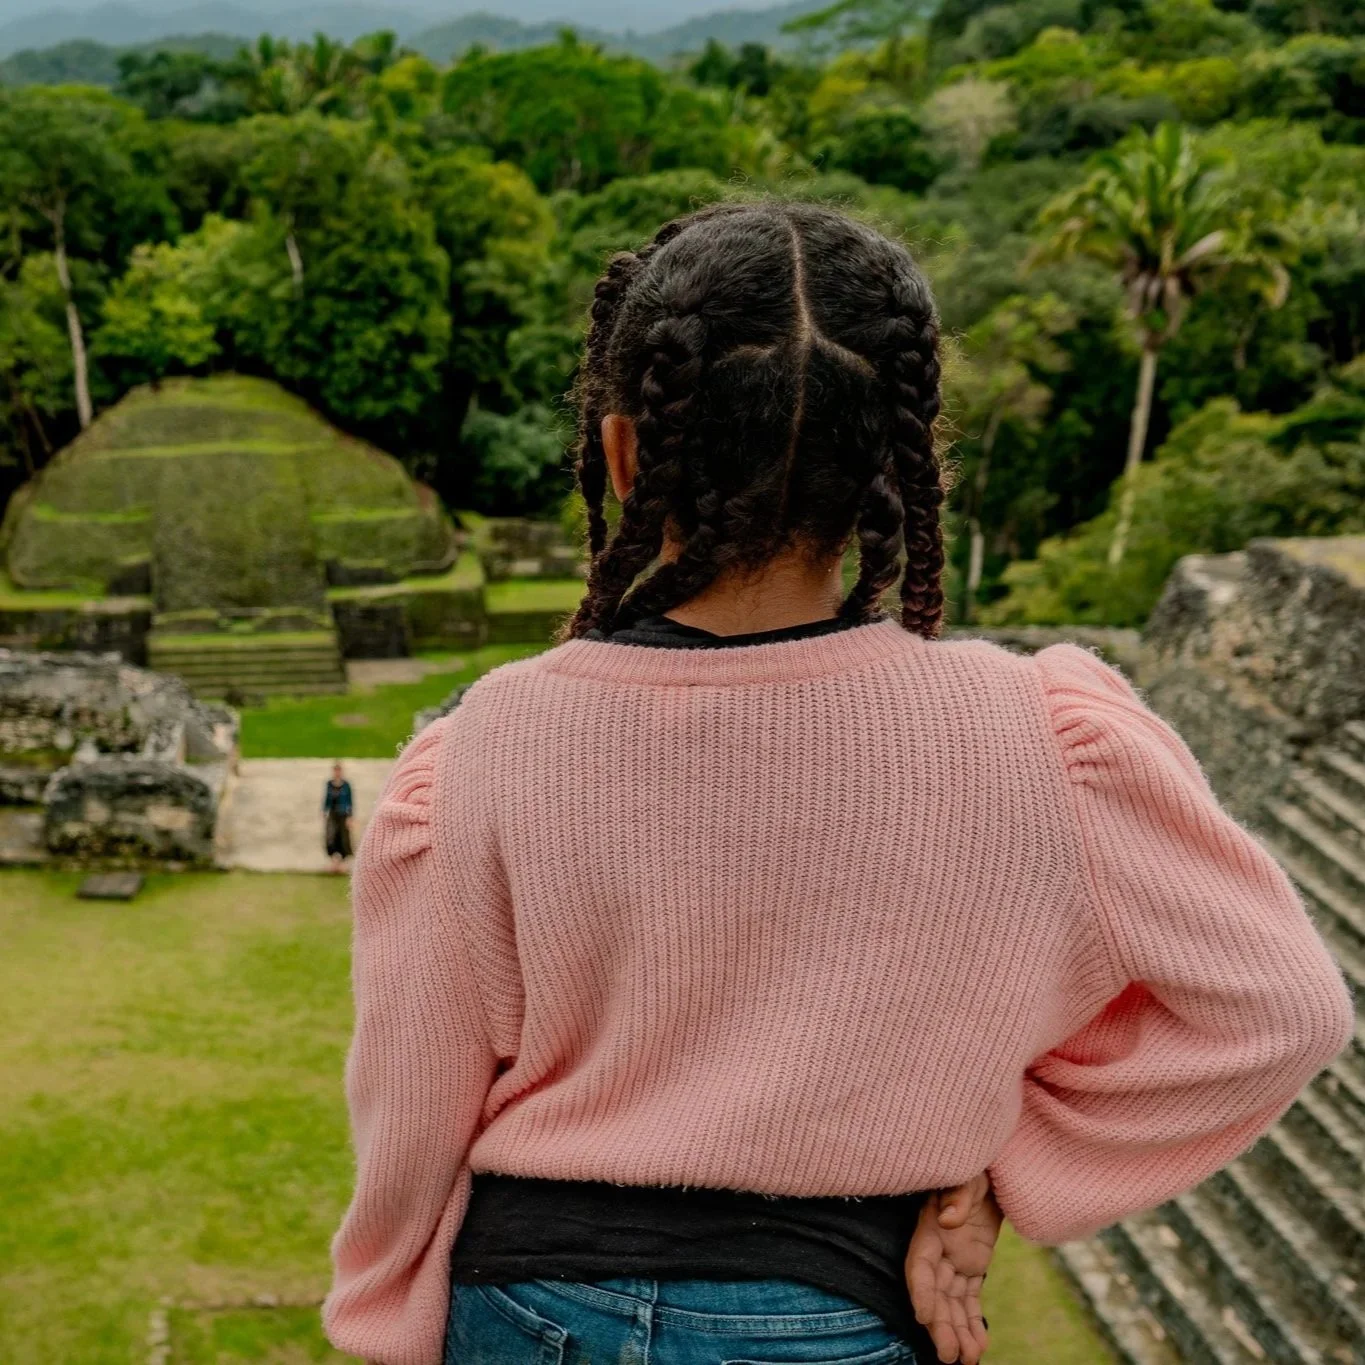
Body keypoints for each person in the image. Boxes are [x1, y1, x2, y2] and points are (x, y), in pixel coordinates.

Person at [323, 202, 1355, 1365]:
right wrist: (1006, 1178)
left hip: (529, 1303)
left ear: (624, 451)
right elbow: (1284, 1012)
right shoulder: (1039, 733)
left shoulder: (486, 747)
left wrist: (388, 1321)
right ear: (894, 460)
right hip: (830, 1309)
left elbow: (411, 1110)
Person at [322, 762, 353, 873]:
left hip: (343, 814)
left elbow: (350, 801)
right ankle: (334, 861)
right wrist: (324, 811)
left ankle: (342, 863)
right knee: (331, 836)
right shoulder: (329, 784)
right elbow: (326, 799)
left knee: (343, 837)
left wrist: (350, 817)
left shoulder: (346, 785)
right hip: (332, 814)